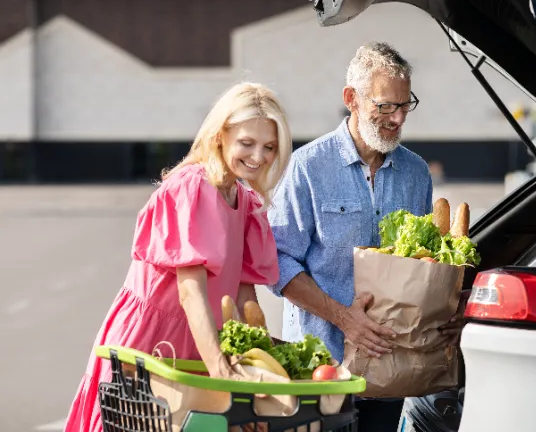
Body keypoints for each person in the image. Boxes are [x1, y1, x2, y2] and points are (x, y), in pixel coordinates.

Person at [64, 82, 292, 432]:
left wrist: (262, 367)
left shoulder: (245, 200)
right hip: (150, 344)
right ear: (220, 136)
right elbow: (190, 291)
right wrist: (221, 370)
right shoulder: (193, 186)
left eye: (269, 147)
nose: (258, 157)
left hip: (200, 343)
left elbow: (245, 300)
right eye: (246, 143)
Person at [268, 42, 465, 431]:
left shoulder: (416, 173)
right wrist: (345, 319)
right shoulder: (309, 167)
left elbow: (425, 265)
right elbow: (277, 260)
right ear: (352, 100)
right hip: (321, 366)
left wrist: (447, 310)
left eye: (405, 105)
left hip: (392, 367)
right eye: (385, 106)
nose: (397, 118)